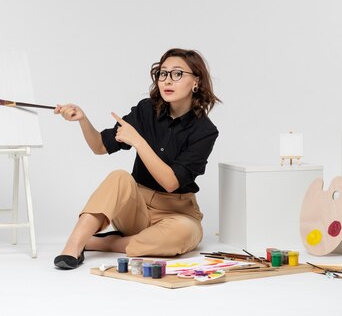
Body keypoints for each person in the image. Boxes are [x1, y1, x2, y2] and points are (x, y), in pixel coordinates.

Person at [53, 48, 221, 270]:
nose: (167, 80)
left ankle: (103, 242)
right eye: (163, 73)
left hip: (176, 213)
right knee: (119, 177)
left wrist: (139, 142)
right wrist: (82, 119)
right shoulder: (146, 110)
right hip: (135, 208)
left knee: (186, 233)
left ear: (196, 82)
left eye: (177, 74)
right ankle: (74, 245)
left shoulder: (204, 131)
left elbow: (171, 183)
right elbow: (100, 146)